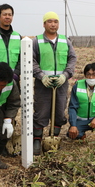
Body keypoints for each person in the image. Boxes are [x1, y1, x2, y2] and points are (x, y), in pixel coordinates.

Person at [32, 11, 77, 155]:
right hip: (43, 84)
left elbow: (72, 58)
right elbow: (31, 61)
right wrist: (40, 75)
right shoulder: (36, 41)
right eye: (49, 21)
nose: (53, 24)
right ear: (44, 24)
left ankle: (55, 138)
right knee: (41, 112)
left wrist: (65, 75)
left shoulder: (65, 41)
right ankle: (37, 140)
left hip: (61, 84)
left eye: (55, 21)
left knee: (59, 111)